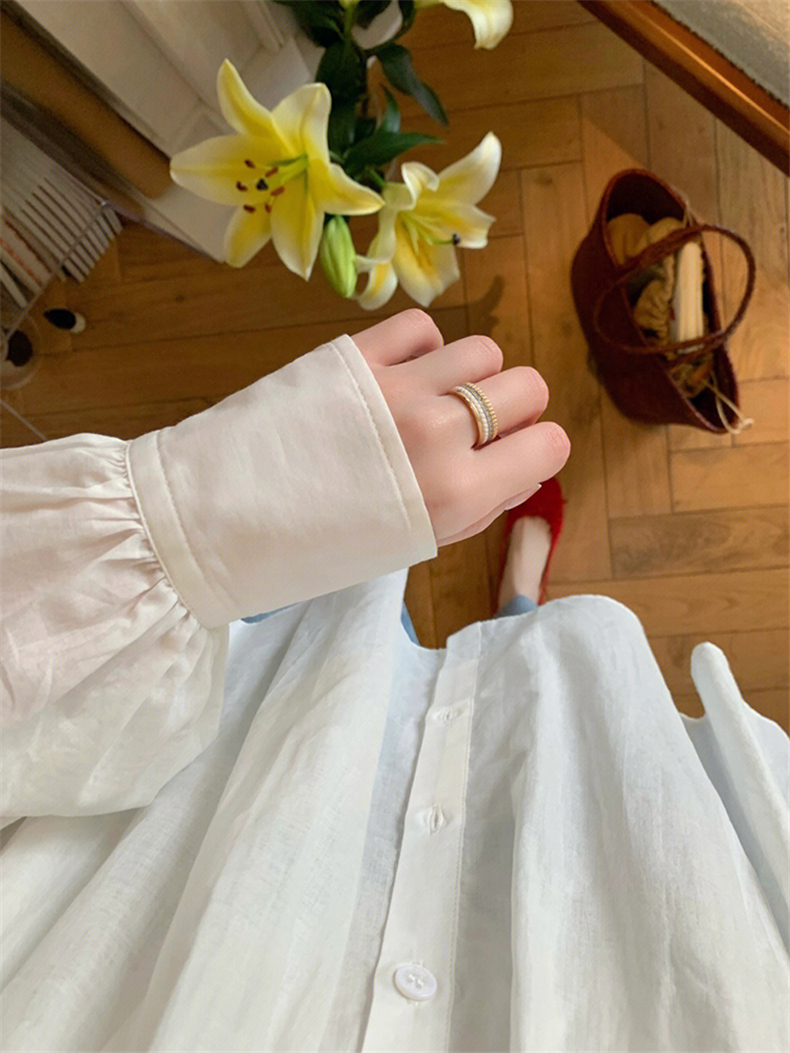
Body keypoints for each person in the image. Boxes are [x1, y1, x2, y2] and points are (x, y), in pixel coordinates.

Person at [1, 309, 787, 1052]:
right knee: (546, 715)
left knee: (340, 654)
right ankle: (514, 602)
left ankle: (392, 582)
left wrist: (186, 517)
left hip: (212, 790)